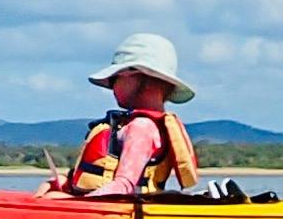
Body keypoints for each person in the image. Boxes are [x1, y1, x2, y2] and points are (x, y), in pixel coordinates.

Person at [47, 35, 204, 197]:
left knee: (51, 198)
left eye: (114, 79)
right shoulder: (136, 126)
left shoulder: (141, 128)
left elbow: (123, 188)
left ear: (137, 75)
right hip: (107, 207)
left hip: (120, 214)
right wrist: (62, 183)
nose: (111, 86)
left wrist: (65, 200)